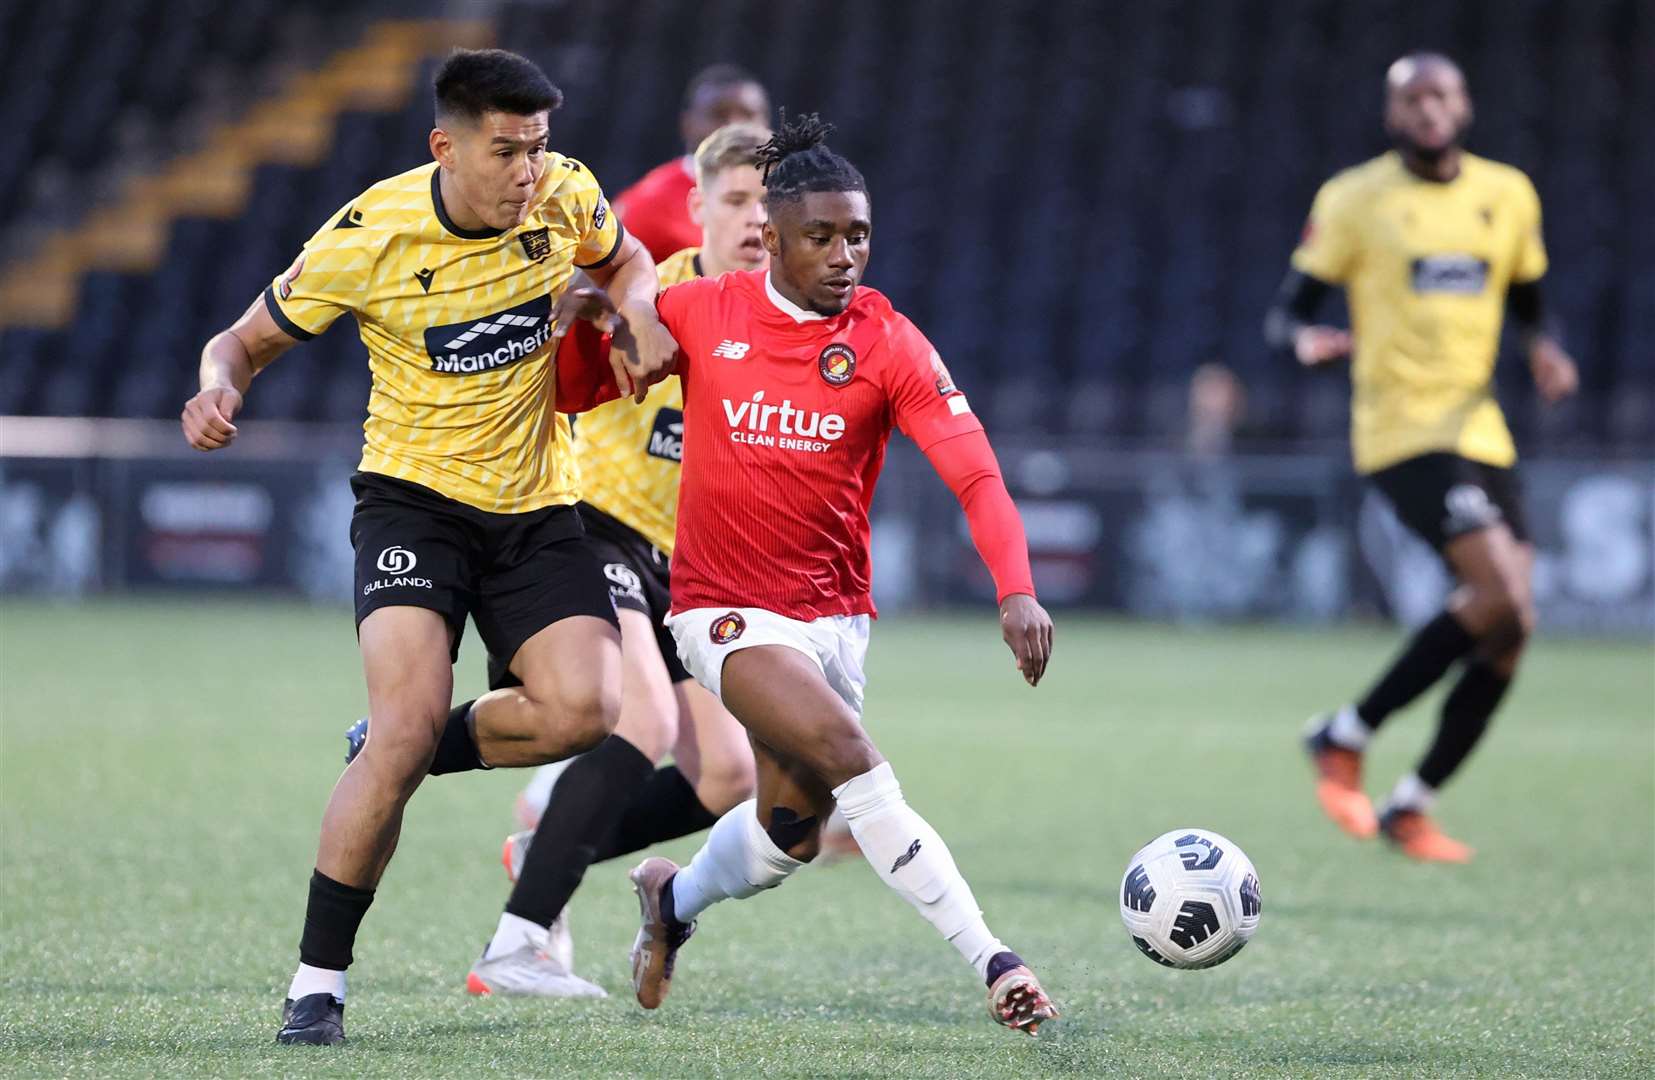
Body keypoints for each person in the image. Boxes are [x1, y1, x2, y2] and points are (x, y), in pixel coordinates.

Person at [180, 48, 676, 1045]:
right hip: (413, 508)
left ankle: (398, 747)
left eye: (538, 148)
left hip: (538, 506)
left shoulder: (565, 194)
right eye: (506, 152)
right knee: (402, 732)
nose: (528, 172)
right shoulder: (369, 236)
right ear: (445, 147)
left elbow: (623, 259)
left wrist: (632, 308)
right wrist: (218, 388)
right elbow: (241, 340)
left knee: (588, 710)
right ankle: (317, 984)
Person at [576, 113, 1059, 1034]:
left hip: (833, 618)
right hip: (721, 613)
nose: (844, 254)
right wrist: (588, 322)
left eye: (859, 234)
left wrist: (1016, 586)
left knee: (786, 837)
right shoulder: (703, 310)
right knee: (857, 765)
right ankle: (994, 961)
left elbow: (975, 470)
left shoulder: (887, 341)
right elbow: (589, 379)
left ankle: (670, 905)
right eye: (822, 235)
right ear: (772, 238)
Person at [475, 122, 773, 996]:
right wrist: (582, 321)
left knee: (726, 775)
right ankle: (518, 943)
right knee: (638, 719)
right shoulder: (654, 298)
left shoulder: (778, 328)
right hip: (591, 526)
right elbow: (565, 382)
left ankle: (545, 849)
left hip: (682, 568)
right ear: (698, 209)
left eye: (769, 203)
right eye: (737, 201)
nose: (755, 220)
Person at [1264, 53, 1578, 863]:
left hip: (1482, 431)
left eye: (1440, 94)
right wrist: (1306, 343)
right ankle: (1344, 733)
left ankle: (1410, 802)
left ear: (1463, 105)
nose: (1427, 109)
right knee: (1497, 589)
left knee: (1512, 624)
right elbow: (1287, 313)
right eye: (1411, 98)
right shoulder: (1354, 198)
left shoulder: (1505, 195)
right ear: (1391, 114)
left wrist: (1544, 349)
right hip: (1399, 429)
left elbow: (1529, 296)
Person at [613, 64, 771, 260]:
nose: (733, 125)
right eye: (719, 114)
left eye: (747, 114)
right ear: (688, 123)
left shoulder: (790, 200)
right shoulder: (648, 202)